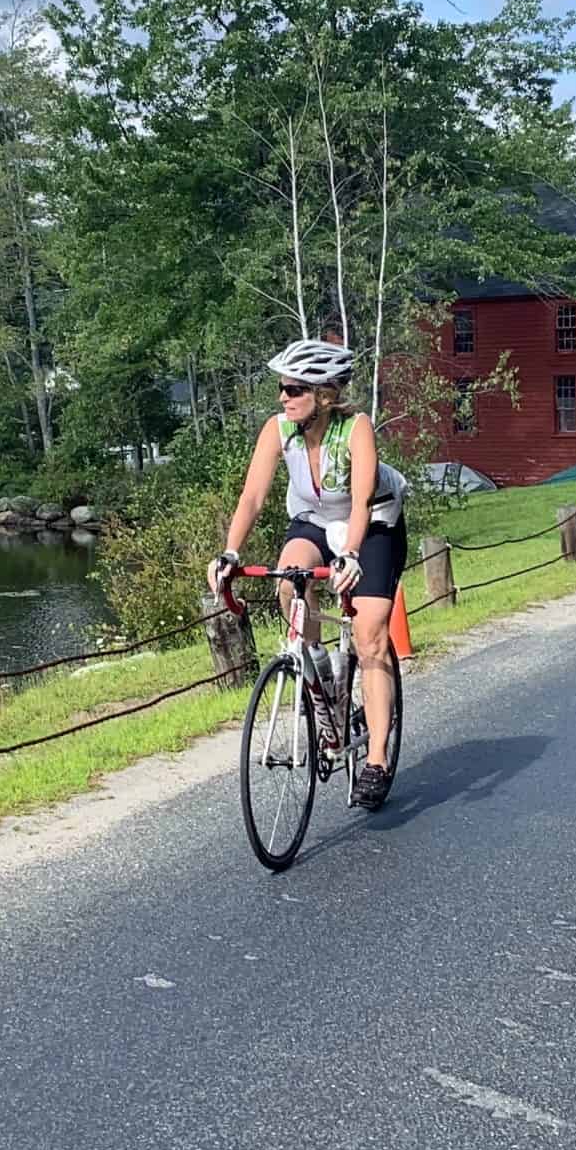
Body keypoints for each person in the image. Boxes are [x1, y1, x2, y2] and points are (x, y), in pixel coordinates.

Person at [208, 338, 410, 809]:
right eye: (282, 387)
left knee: (370, 631)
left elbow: (360, 501)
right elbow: (252, 497)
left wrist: (353, 555)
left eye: (294, 389)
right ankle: (321, 676)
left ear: (323, 394)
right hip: (315, 520)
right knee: (289, 581)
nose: (283, 396)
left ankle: (376, 758)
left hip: (374, 524)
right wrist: (231, 552)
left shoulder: (355, 428)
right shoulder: (279, 430)